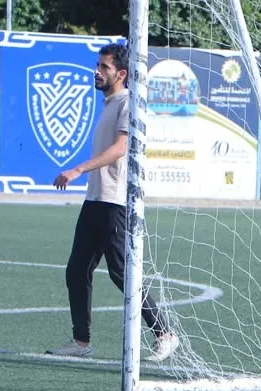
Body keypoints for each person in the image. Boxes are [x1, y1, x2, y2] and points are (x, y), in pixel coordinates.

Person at [47, 43, 179, 362]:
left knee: (122, 272)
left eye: (104, 67)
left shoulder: (128, 102)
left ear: (120, 74)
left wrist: (78, 168)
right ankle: (81, 343)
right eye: (98, 65)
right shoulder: (109, 103)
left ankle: (164, 333)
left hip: (115, 202)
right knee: (77, 271)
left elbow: (121, 147)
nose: (97, 71)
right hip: (95, 200)